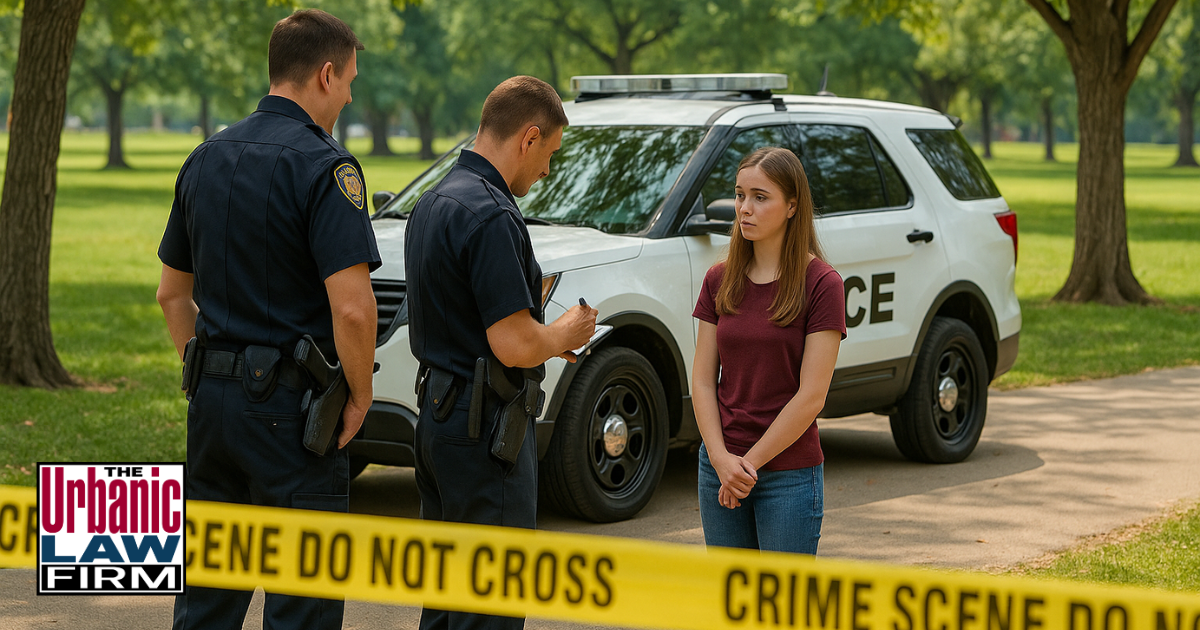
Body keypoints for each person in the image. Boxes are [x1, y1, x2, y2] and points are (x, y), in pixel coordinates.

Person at [155, 9, 379, 630]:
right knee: (300, 605)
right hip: (294, 418)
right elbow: (354, 308)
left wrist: (206, 369)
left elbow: (172, 296)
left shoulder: (204, 157)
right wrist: (359, 396)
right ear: (326, 74)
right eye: (352, 78)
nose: (352, 94)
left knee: (206, 602)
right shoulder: (328, 168)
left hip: (213, 409)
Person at [404, 76, 597, 630]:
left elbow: (458, 307)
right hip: (483, 430)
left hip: (439, 420)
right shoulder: (491, 213)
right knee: (489, 607)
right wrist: (565, 331)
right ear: (528, 137)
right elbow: (512, 344)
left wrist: (526, 312)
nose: (547, 171)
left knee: (447, 601)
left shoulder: (433, 200)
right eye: (550, 155)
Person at [691, 146, 846, 555]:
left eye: (761, 198)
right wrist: (722, 460)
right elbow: (703, 381)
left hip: (788, 475)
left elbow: (812, 395)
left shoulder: (822, 285)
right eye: (740, 195)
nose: (745, 208)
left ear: (792, 206)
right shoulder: (719, 279)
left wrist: (749, 465)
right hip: (719, 466)